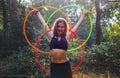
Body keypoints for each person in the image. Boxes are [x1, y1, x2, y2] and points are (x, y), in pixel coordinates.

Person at [29, 7, 88, 78]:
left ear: (65, 28)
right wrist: (37, 13)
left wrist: (83, 15)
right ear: (55, 27)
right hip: (54, 66)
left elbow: (77, 25)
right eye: (58, 26)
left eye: (62, 27)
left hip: (65, 66)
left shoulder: (67, 36)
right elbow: (43, 23)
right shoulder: (51, 35)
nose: (60, 28)